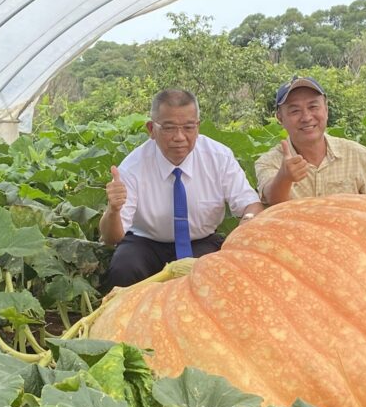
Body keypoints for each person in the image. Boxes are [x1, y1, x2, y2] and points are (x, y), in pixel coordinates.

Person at [100, 89, 264, 289]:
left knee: (219, 279)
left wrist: (246, 224)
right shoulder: (132, 167)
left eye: (188, 127)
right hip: (146, 243)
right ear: (151, 129)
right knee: (123, 268)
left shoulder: (219, 157)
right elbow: (111, 237)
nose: (179, 137)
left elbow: (251, 205)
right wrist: (113, 210)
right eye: (169, 128)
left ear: (198, 127)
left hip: (201, 242)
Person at [254, 76, 366, 205]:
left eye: (313, 107)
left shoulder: (356, 154)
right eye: (295, 111)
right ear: (280, 118)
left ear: (326, 109)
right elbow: (272, 200)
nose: (306, 117)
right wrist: (284, 178)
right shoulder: (268, 162)